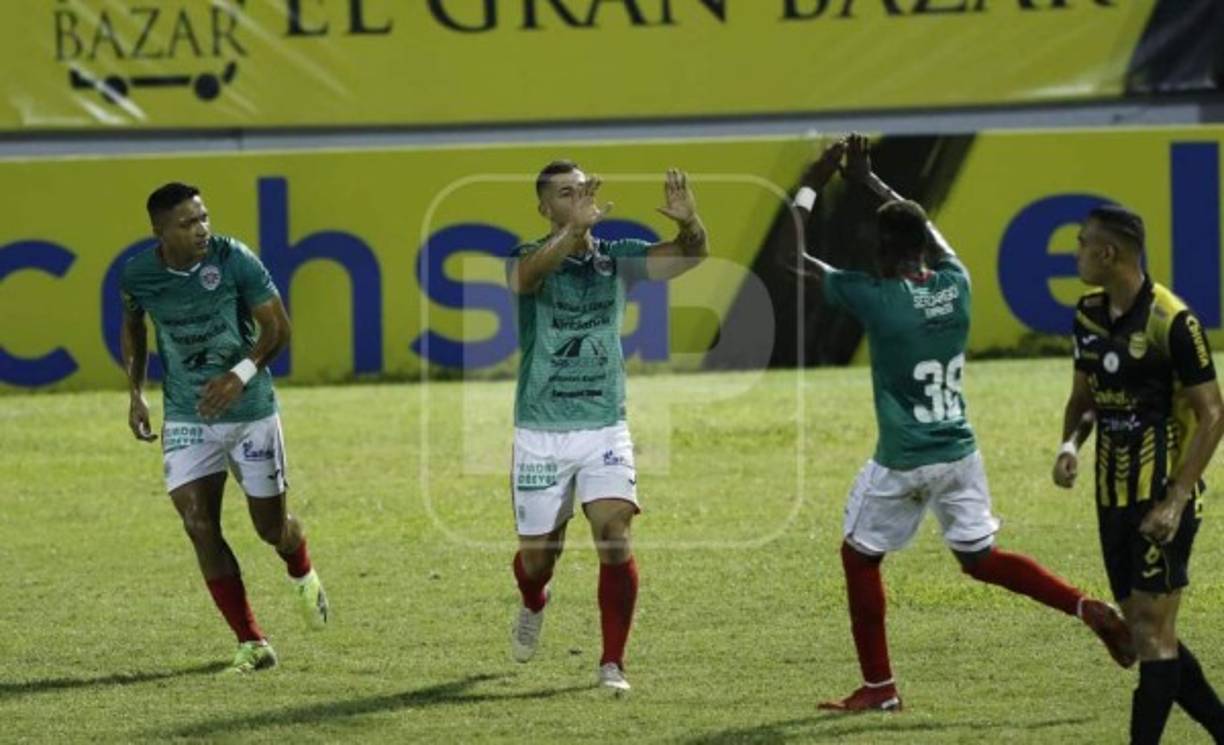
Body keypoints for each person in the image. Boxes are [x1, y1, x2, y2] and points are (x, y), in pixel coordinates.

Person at [791, 136, 1134, 712]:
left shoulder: (876, 297)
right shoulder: (958, 283)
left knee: (859, 556)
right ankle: (1087, 609)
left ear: (880, 251)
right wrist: (871, 182)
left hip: (904, 459)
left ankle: (879, 689)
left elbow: (792, 260)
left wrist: (814, 177)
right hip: (959, 452)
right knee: (981, 559)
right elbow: (928, 232)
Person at [505, 161, 707, 695]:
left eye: (583, 191)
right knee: (537, 560)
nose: (579, 200)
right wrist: (571, 233)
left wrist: (690, 226)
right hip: (541, 430)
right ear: (544, 208)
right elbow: (525, 279)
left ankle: (612, 663)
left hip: (603, 425)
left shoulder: (618, 262)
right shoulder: (527, 257)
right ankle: (533, 598)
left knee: (614, 537)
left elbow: (691, 255)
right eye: (565, 194)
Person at [120, 182, 329, 674]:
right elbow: (132, 326)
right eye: (187, 223)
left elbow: (278, 327)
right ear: (160, 231)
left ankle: (300, 566)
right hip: (189, 414)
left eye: (204, 218)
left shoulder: (234, 259)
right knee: (198, 523)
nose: (201, 229)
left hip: (250, 409)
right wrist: (135, 391)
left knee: (270, 528)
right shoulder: (138, 275)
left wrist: (240, 374)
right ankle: (252, 642)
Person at [1053, 204, 1224, 744]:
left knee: (1151, 634)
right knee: (1150, 633)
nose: (1075, 252)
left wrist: (1174, 501)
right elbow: (1084, 400)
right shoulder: (1087, 315)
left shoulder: (1173, 321)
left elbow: (1213, 414)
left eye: (1081, 244)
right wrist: (1070, 445)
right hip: (1111, 495)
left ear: (1109, 253)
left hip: (1160, 501)